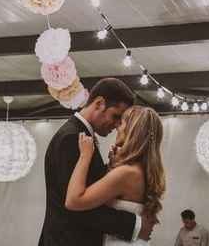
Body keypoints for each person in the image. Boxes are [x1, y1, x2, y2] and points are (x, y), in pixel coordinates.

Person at [38, 78, 157, 246]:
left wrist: (109, 168)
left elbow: (92, 192)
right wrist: (134, 225)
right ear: (100, 103)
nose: (117, 125)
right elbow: (75, 206)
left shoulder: (80, 135)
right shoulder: (72, 137)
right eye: (116, 116)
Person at [65, 104, 166, 246]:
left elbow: (73, 201)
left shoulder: (126, 173)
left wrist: (85, 156)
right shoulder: (139, 170)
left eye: (122, 122)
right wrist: (112, 167)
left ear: (132, 130)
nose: (117, 127)